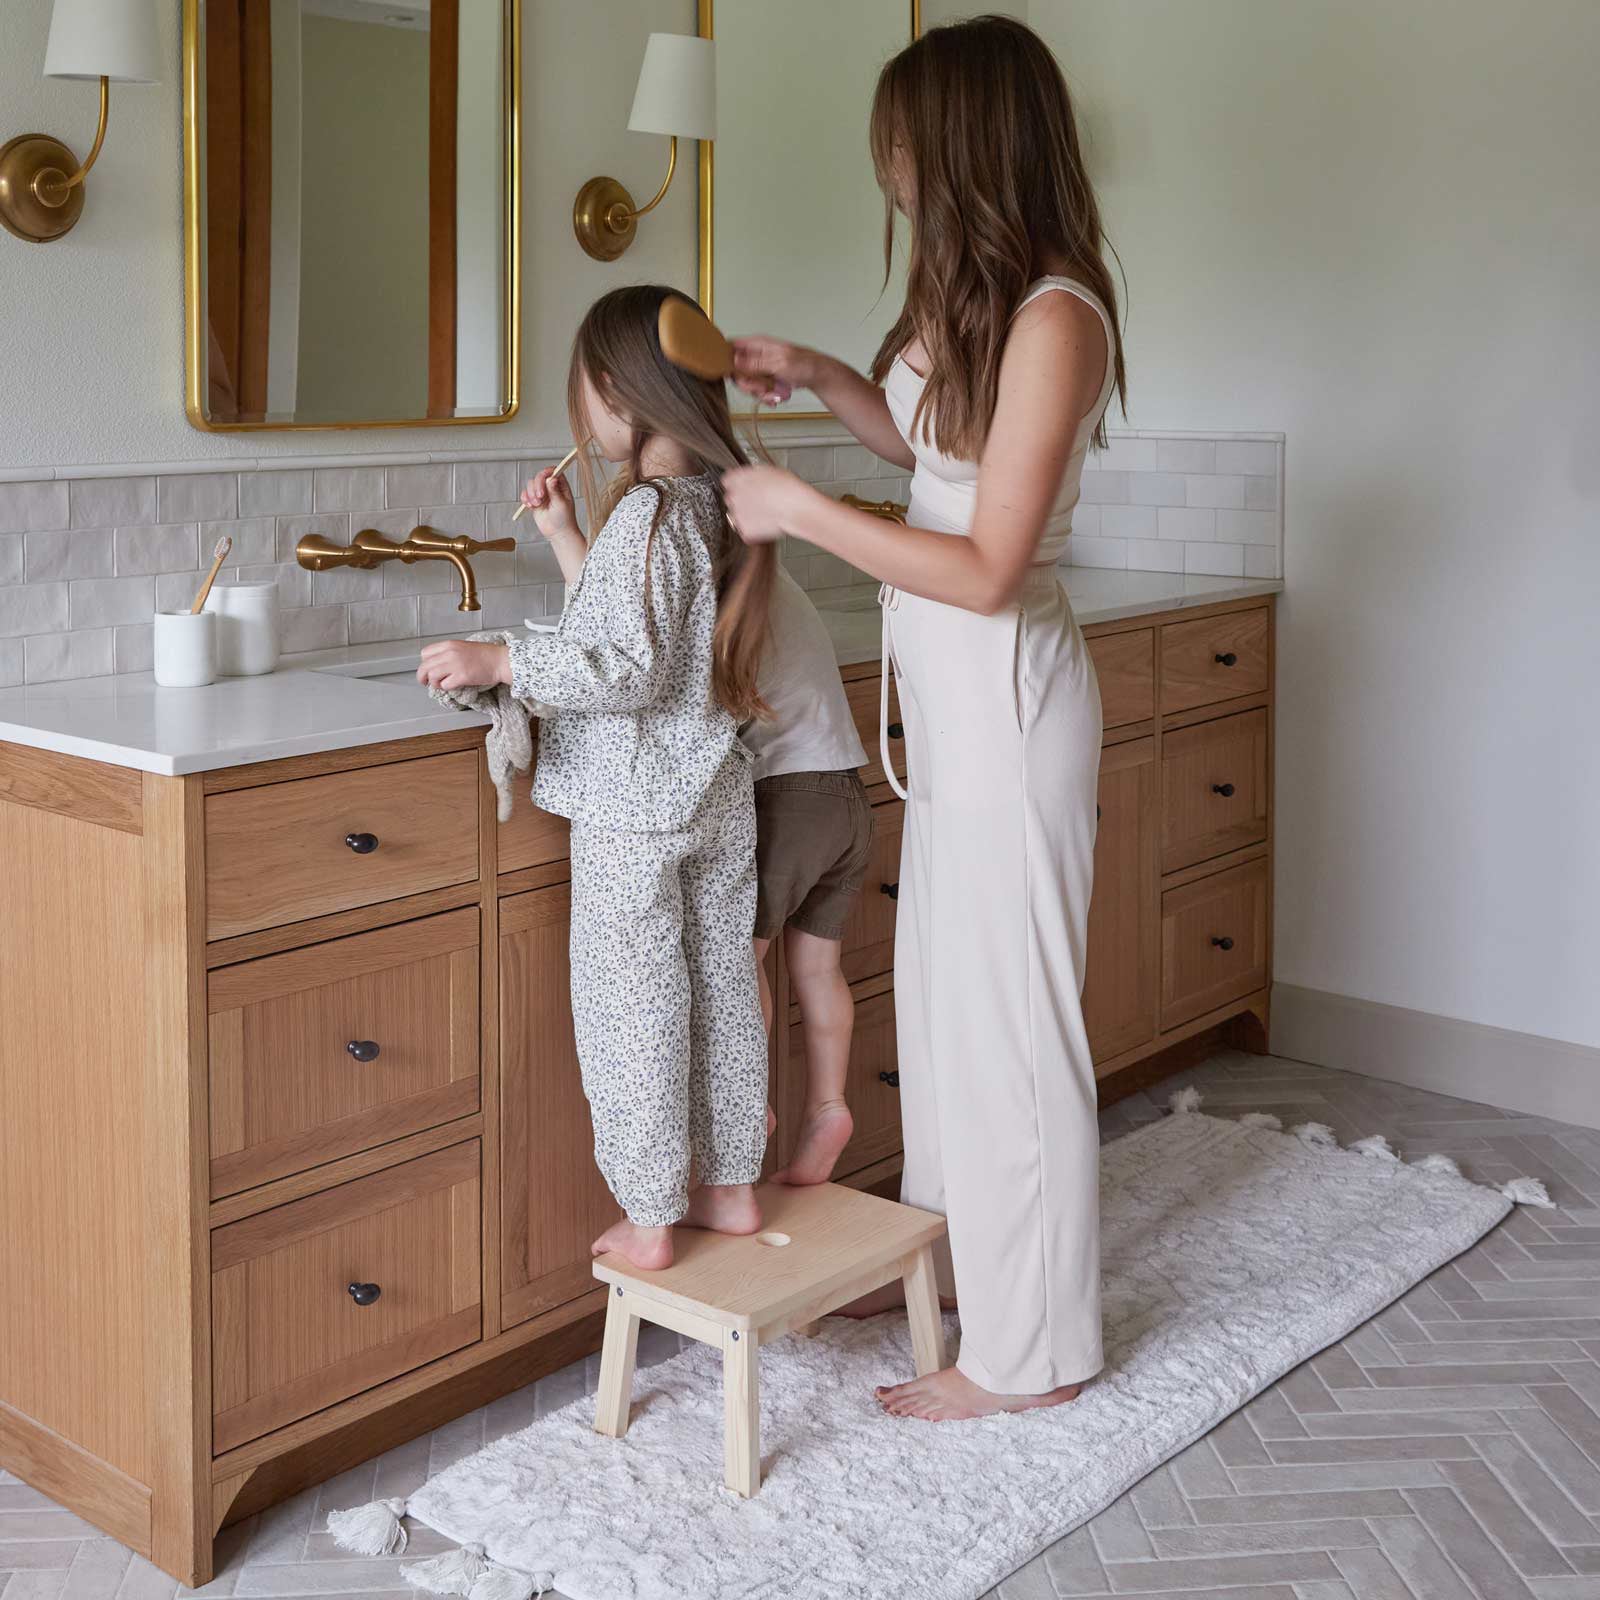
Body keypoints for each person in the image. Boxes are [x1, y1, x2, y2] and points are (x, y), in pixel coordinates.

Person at [719, 14, 1128, 1420]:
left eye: (901, 140)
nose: (885, 165)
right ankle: (969, 1286)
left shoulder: (1059, 315)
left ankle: (1036, 1357)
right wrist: (833, 383)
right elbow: (943, 458)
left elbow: (987, 562)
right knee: (952, 1021)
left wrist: (806, 511)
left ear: (960, 143)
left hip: (1011, 703)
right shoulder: (984, 302)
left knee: (1014, 1030)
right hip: (956, 715)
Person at [419, 284, 776, 1273]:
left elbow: (624, 669)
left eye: (582, 392)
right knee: (717, 992)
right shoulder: (706, 500)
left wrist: (499, 662)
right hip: (709, 796)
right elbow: (640, 633)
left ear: (618, 390)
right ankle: (732, 1186)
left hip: (632, 810)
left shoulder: (652, 514)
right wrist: (566, 539)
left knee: (634, 1004)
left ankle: (654, 1212)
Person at [745, 569, 872, 1184]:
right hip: (845, 792)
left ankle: (744, 1106)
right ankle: (827, 1104)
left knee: (740, 961)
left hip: (786, 791)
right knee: (818, 968)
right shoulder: (773, 573)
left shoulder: (717, 576)